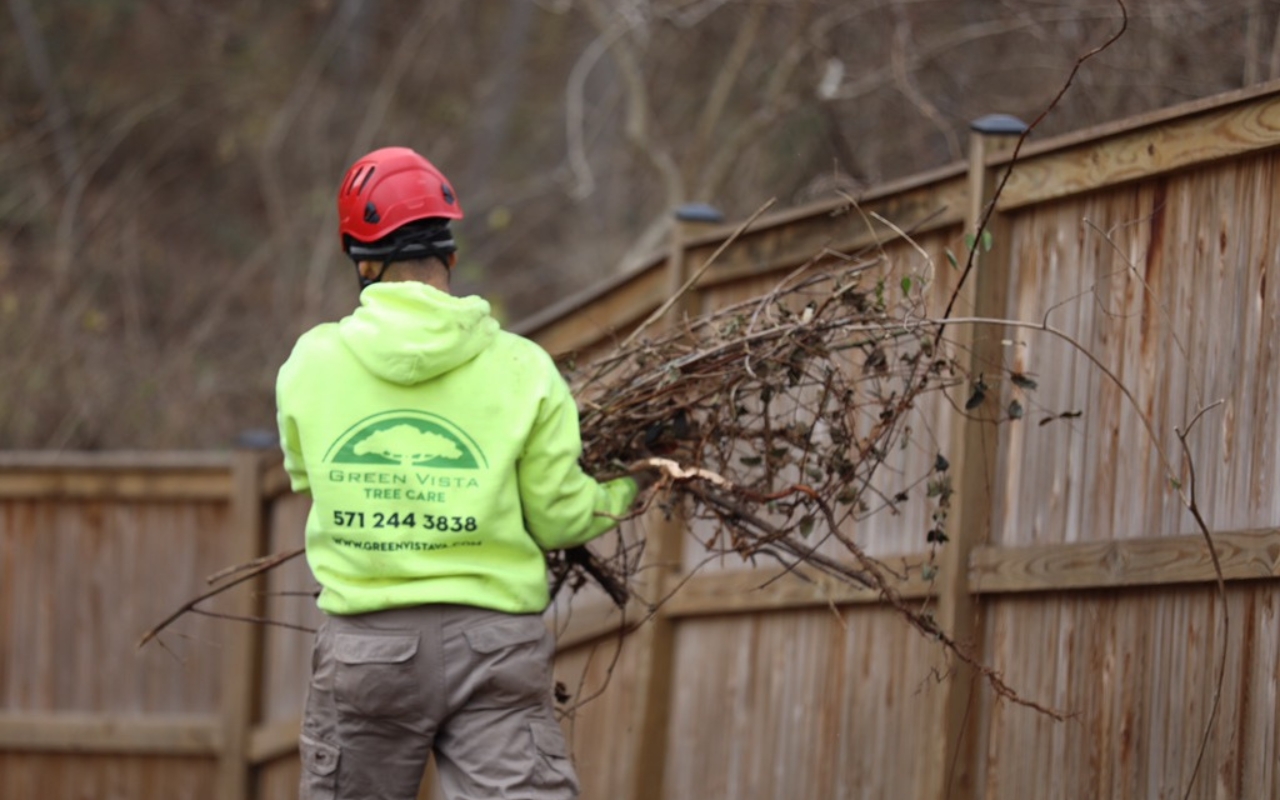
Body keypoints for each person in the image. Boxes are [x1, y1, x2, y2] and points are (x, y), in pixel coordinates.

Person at [276, 146, 649, 800]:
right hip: (495, 650)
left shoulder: (311, 364)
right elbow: (561, 518)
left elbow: (309, 478)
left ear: (361, 262)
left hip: (367, 651)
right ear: (450, 256)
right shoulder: (522, 367)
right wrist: (631, 481)